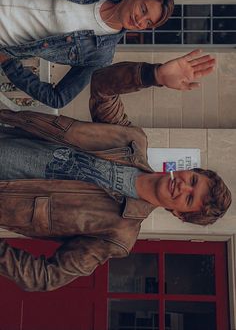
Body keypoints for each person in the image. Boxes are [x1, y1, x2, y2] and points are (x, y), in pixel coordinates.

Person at [0, 50, 231, 292]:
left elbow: (44, 277)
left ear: (179, 215)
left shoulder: (119, 235)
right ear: (187, 170)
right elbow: (102, 86)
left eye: (189, 198)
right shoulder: (131, 140)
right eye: (192, 180)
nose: (183, 186)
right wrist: (154, 75)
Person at [0, 0, 174, 108]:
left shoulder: (100, 55)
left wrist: (8, 63)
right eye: (143, 10)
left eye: (148, 22)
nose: (140, 21)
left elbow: (58, 98)